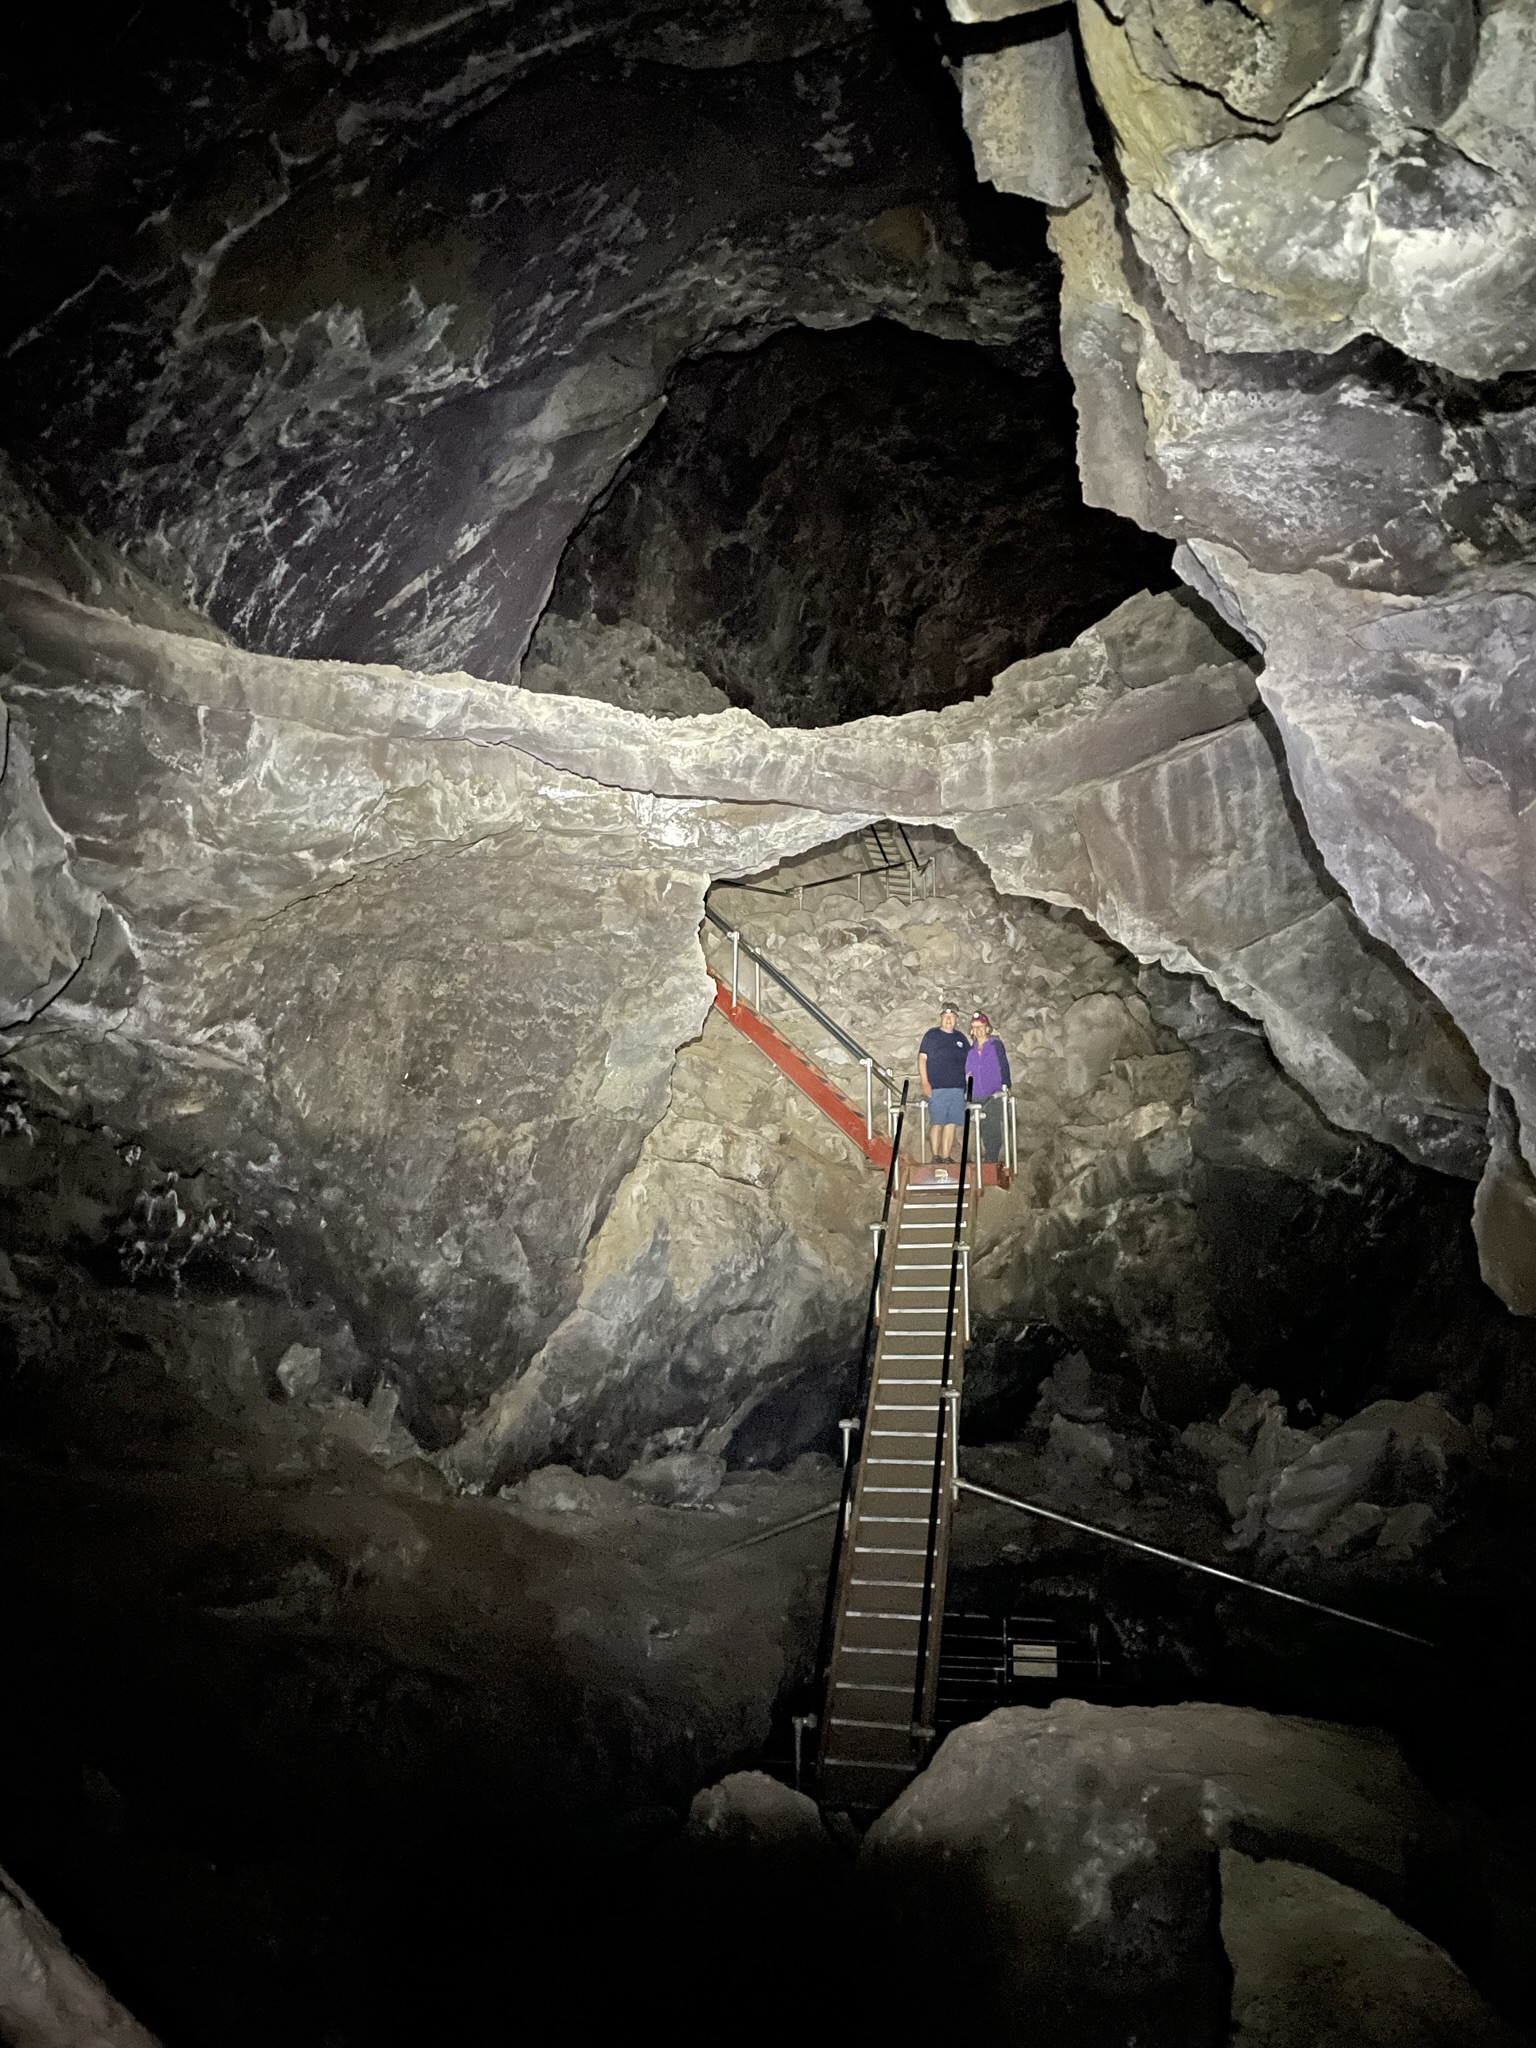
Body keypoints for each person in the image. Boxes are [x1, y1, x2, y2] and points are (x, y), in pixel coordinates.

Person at [918, 1003, 970, 1179]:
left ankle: (946, 1156)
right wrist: (925, 1082)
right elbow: (922, 1058)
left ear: (956, 1019)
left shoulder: (961, 1039)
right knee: (938, 1121)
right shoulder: (931, 1036)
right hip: (938, 1087)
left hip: (957, 1088)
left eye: (952, 1017)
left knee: (951, 1123)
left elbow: (969, 1063)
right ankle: (936, 1156)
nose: (949, 1020)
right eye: (946, 1017)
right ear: (941, 1018)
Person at [966, 1011, 1011, 1167]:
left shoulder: (995, 1045)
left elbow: (1004, 1065)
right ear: (972, 1031)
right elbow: (966, 1071)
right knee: (981, 1126)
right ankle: (981, 1158)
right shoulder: (970, 1051)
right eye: (975, 1027)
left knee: (992, 1125)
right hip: (977, 1094)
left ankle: (992, 1158)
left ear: (987, 1028)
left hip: (994, 1092)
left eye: (981, 1027)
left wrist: (1006, 1085)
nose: (978, 1030)